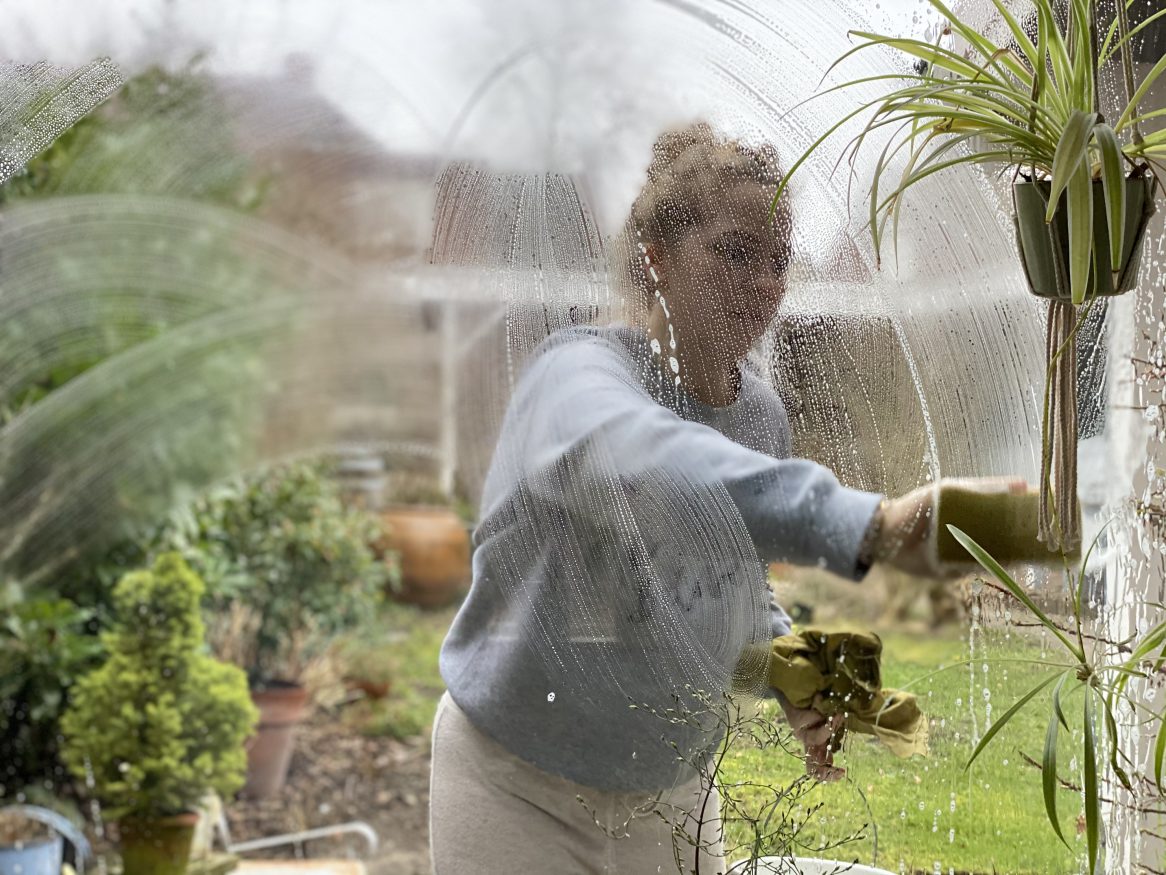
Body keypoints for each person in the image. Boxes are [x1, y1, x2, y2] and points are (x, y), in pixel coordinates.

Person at [430, 122, 991, 874]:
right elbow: (643, 460)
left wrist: (797, 672)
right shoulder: (573, 381)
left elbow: (727, 581)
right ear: (654, 257)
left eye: (778, 260)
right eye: (734, 252)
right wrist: (867, 524)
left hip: (671, 792)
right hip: (518, 780)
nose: (765, 283)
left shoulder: (759, 415)